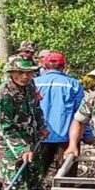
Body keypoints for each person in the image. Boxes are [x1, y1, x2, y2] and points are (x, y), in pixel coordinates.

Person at [0, 56, 48, 190]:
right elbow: (5, 128)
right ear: (12, 73)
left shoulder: (30, 88)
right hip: (10, 146)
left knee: (35, 183)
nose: (25, 76)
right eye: (21, 73)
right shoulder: (2, 95)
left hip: (32, 140)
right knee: (14, 185)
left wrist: (42, 127)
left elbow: (36, 109)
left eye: (29, 73)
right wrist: (21, 150)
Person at [34, 51, 90, 181]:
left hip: (39, 138)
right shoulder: (73, 84)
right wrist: (87, 135)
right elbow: (82, 113)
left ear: (45, 66)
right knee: (67, 177)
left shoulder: (34, 83)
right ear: (63, 66)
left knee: (36, 177)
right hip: (67, 139)